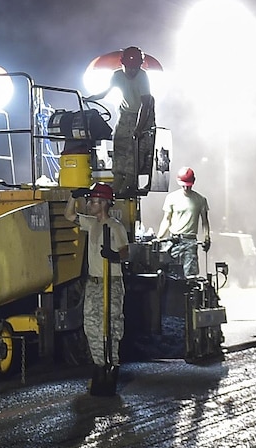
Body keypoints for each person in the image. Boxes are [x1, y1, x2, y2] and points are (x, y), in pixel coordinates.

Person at [77, 182, 126, 384]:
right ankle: (99, 366)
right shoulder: (92, 224)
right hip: (94, 283)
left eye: (93, 201)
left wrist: (113, 255)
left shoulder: (115, 226)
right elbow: (69, 216)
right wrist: (74, 197)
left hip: (111, 282)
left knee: (111, 326)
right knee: (91, 324)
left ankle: (112, 366)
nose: (89, 204)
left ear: (104, 203)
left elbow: (125, 252)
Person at [109, 47, 157, 192]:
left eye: (135, 67)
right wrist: (87, 99)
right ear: (122, 64)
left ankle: (130, 179)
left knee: (135, 146)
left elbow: (145, 105)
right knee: (119, 140)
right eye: (128, 67)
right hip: (126, 113)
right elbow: (105, 92)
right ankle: (117, 177)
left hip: (144, 114)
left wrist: (139, 128)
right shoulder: (116, 76)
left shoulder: (143, 77)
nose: (132, 71)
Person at [155, 166, 211, 278]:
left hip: (190, 242)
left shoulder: (200, 200)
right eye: (183, 184)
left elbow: (205, 222)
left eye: (188, 185)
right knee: (171, 274)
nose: (186, 187)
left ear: (193, 182)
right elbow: (166, 220)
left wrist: (207, 238)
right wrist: (159, 238)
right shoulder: (171, 198)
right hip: (173, 241)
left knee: (190, 277)